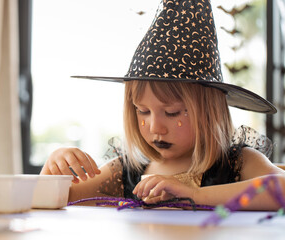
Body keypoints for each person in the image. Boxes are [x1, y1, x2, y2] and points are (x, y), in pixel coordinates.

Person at [40, 0, 285, 210]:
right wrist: (52, 170)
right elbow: (54, 200)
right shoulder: (127, 171)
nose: (155, 127)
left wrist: (195, 195)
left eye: (171, 112)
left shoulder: (237, 164)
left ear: (209, 113)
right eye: (142, 111)